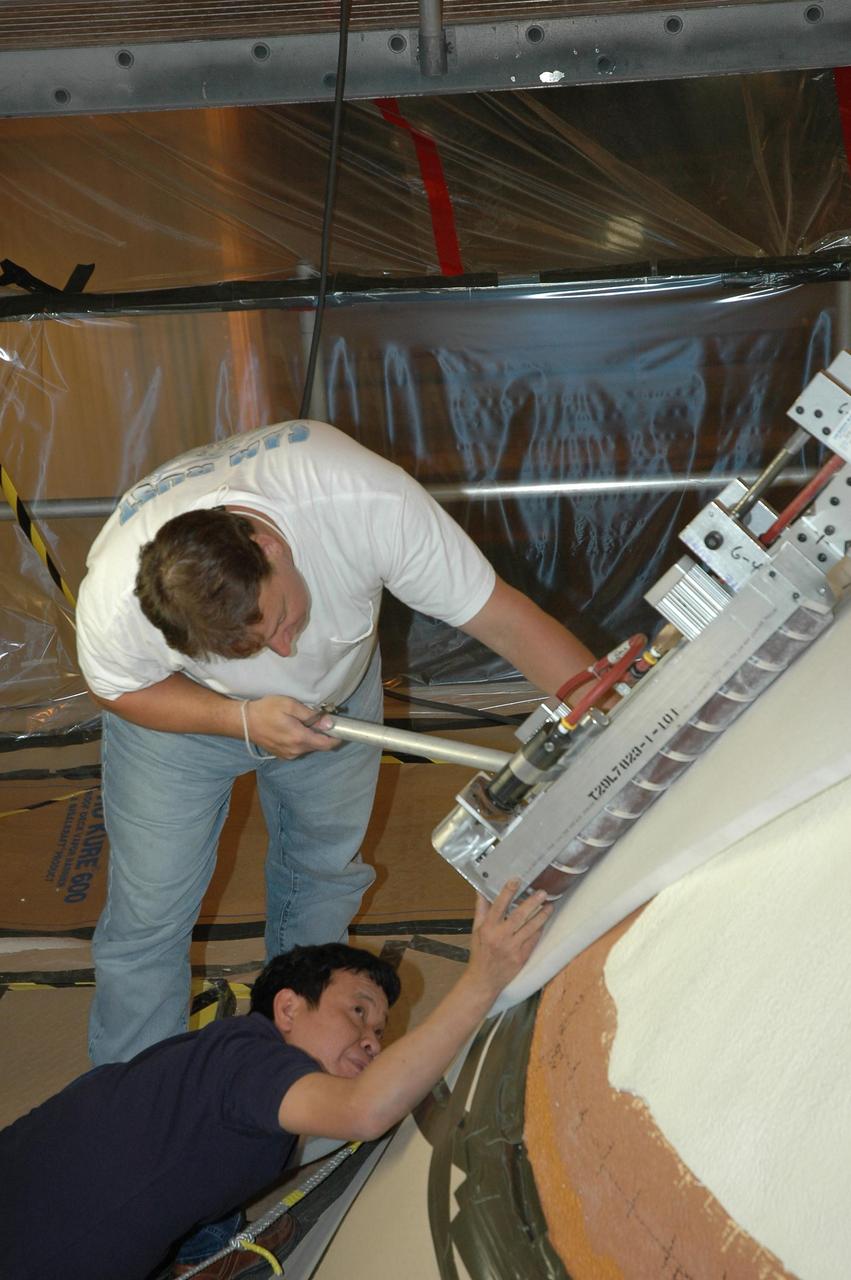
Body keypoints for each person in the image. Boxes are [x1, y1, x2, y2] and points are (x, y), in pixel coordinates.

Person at [76, 418, 594, 1065]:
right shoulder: (118, 597)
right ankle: (133, 1092)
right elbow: (116, 689)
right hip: (180, 719)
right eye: (250, 646)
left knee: (320, 877)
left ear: (269, 545)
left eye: (283, 619)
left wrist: (613, 724)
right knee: (150, 914)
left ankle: (300, 1070)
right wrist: (239, 719)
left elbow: (507, 622)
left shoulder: (360, 501)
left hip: (336, 703)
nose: (284, 650)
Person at [0, 881, 551, 1280]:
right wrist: (483, 979)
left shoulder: (220, 1064)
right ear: (287, 1008)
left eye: (379, 1032)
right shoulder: (248, 1064)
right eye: (358, 1011)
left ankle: (205, 1244)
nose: (372, 1041)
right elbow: (364, 1110)